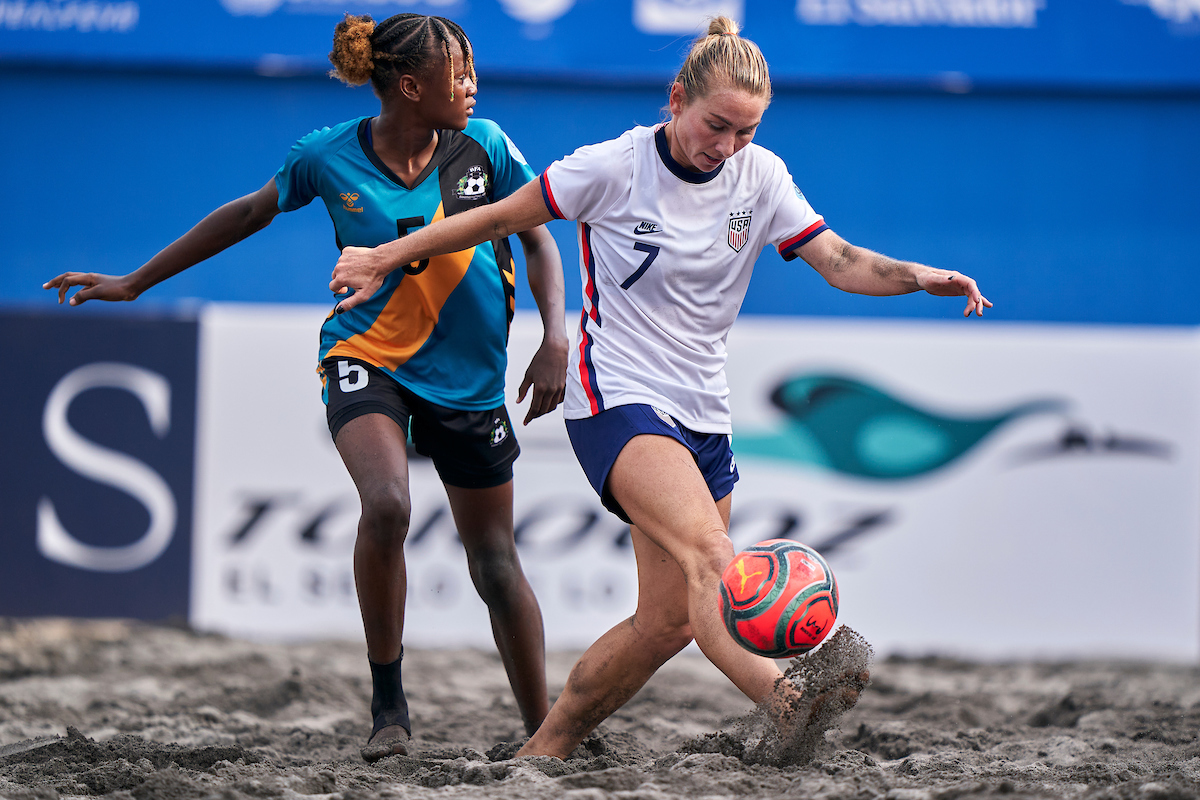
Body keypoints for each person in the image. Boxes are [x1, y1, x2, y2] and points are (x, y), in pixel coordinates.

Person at [327, 16, 992, 759]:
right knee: (716, 559)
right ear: (677, 99)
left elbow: (836, 259)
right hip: (618, 394)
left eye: (745, 132)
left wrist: (918, 276)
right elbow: (494, 218)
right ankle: (791, 698)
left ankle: (541, 752)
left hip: (705, 407)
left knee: (668, 621)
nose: (728, 147)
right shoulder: (613, 167)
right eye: (717, 126)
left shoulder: (760, 176)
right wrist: (386, 254)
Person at [44, 12, 568, 763]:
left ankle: (543, 729)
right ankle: (389, 703)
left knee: (494, 563)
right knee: (387, 505)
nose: (475, 85)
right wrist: (133, 282)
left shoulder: (486, 147)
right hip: (368, 357)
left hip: (471, 380)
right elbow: (248, 213)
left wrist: (554, 337)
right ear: (412, 87)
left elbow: (539, 238)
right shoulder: (325, 156)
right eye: (461, 75)